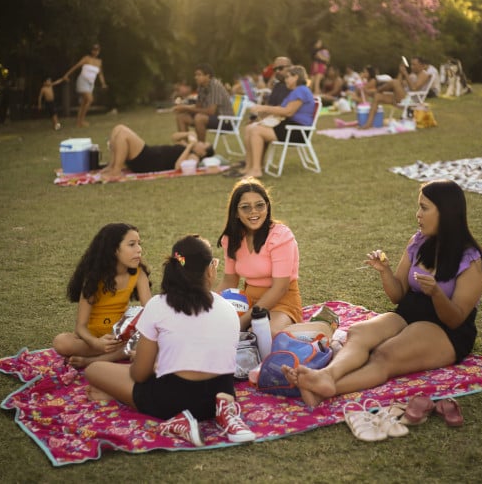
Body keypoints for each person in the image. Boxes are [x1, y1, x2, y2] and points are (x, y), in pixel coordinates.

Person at [281, 180, 482, 407]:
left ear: (446, 212)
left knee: (385, 354)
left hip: (445, 329)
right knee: (359, 332)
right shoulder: (419, 242)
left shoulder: (473, 261)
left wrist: (436, 293)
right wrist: (385, 272)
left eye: (424, 207)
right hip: (408, 312)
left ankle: (330, 389)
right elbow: (398, 295)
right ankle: (327, 376)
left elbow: (456, 318)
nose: (417, 214)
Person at [84, 235, 255, 446]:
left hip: (172, 401)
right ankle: (217, 414)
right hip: (219, 398)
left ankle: (177, 419)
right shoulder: (228, 308)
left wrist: (146, 364)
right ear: (210, 270)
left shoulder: (158, 305)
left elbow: (139, 374)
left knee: (94, 369)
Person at [216, 178, 334, 338]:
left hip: (282, 302)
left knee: (259, 335)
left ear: (267, 206)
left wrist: (243, 321)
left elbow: (280, 288)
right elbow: (230, 281)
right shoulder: (231, 238)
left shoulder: (280, 236)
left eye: (260, 205)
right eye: (245, 207)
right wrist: (208, 305)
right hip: (246, 302)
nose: (253, 212)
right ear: (236, 212)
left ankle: (320, 328)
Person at [53, 223, 152, 368]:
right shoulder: (94, 278)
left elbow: (150, 312)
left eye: (139, 244)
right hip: (92, 340)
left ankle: (91, 361)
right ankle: (109, 354)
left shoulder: (139, 273)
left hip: (120, 338)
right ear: (113, 250)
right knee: (61, 342)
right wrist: (97, 344)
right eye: (132, 244)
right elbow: (80, 327)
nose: (139, 249)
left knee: (149, 339)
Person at [236, 65, 315, 178]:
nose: (286, 80)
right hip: (289, 126)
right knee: (250, 128)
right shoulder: (295, 92)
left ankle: (257, 169)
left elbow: (288, 112)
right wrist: (263, 113)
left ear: (296, 77)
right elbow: (280, 109)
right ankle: (249, 166)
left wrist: (264, 108)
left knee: (256, 131)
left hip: (297, 130)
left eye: (288, 77)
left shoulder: (302, 90)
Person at [98, 124, 216, 180]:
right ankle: (112, 166)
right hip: (149, 155)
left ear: (203, 153)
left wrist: (190, 146)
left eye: (203, 144)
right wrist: (188, 134)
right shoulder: (188, 147)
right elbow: (174, 137)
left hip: (148, 160)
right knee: (117, 129)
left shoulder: (193, 157)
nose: (201, 142)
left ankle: (116, 171)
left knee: (123, 132)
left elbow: (178, 167)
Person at [360, 57, 438, 129]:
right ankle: (369, 123)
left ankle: (377, 90)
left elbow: (414, 88)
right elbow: (400, 83)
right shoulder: (413, 75)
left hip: (411, 101)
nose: (411, 66)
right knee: (377, 96)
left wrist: (406, 74)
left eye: (414, 64)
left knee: (393, 82)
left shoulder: (424, 74)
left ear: (421, 65)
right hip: (403, 98)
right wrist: (401, 73)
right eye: (411, 64)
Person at [173, 63, 233, 143]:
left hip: (225, 121)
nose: (196, 77)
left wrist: (185, 108)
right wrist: (182, 107)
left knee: (199, 118)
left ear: (207, 76)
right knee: (181, 117)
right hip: (213, 118)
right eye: (195, 75)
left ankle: (201, 149)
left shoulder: (215, 86)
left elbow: (211, 111)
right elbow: (198, 106)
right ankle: (184, 148)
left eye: (199, 75)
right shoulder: (201, 87)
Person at [62, 43, 107, 127]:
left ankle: (79, 122)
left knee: (84, 102)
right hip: (83, 81)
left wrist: (103, 83)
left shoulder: (99, 62)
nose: (95, 52)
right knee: (90, 99)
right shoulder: (86, 58)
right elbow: (76, 66)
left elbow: (100, 74)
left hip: (91, 84)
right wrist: (66, 75)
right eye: (94, 50)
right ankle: (81, 121)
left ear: (99, 51)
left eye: (97, 50)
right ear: (91, 50)